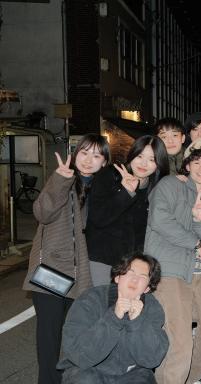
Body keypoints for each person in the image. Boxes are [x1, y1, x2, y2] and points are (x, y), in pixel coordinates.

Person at [22, 134, 110, 384]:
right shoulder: (63, 179)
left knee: (77, 337)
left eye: (96, 155)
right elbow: (42, 212)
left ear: (104, 162)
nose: (88, 160)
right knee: (49, 341)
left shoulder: (105, 190)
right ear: (75, 153)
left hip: (84, 274)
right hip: (53, 270)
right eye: (84, 152)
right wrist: (60, 180)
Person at [144, 139, 201, 384]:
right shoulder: (169, 184)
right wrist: (195, 243)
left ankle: (188, 380)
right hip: (170, 270)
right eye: (196, 161)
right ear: (187, 165)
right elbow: (159, 220)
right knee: (180, 340)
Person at [57, 252, 169, 384]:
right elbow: (79, 355)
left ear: (147, 288)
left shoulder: (152, 308)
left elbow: (152, 359)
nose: (135, 280)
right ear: (117, 277)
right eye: (130, 273)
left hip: (131, 373)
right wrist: (114, 317)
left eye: (142, 277)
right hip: (87, 369)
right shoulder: (90, 299)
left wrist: (138, 322)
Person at [86, 135, 169, 286]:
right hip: (102, 260)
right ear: (132, 155)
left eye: (152, 159)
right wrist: (126, 192)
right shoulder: (110, 175)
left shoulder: (157, 190)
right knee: (103, 304)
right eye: (140, 156)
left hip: (134, 266)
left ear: (159, 164)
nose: (144, 163)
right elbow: (97, 218)